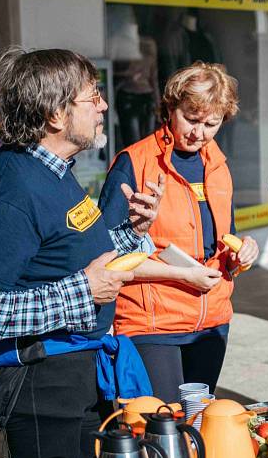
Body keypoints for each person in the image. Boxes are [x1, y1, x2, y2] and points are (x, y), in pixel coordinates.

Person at [0, 47, 163, 458]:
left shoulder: (55, 169)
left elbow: (72, 257)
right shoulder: (10, 189)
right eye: (92, 96)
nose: (104, 105)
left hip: (77, 373)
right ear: (54, 114)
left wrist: (134, 233)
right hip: (38, 383)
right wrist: (84, 291)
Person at [99, 62, 259, 403]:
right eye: (191, 118)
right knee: (162, 427)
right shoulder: (134, 162)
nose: (198, 133)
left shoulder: (218, 165)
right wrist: (183, 274)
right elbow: (107, 257)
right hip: (152, 321)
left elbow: (225, 239)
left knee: (197, 423)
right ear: (171, 107)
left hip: (211, 316)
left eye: (211, 124)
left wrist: (242, 253)